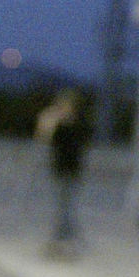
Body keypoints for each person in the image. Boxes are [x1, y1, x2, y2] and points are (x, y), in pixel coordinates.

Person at [34, 89, 90, 257]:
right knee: (62, 207)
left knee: (66, 207)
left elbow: (81, 142)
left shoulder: (78, 124)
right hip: (59, 170)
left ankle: (64, 239)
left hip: (72, 170)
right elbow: (43, 138)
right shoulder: (58, 125)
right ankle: (64, 238)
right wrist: (48, 122)